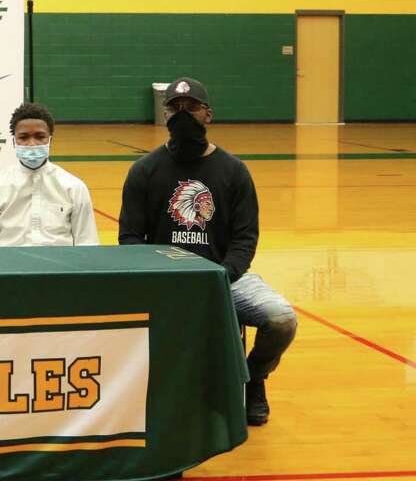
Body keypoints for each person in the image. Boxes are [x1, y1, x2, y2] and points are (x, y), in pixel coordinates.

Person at [119, 77, 297, 426]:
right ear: (165, 114)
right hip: (166, 283)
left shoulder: (234, 171)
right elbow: (129, 238)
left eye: (192, 108)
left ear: (208, 114)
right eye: (175, 108)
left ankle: (252, 378)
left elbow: (245, 239)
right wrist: (162, 278)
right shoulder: (144, 170)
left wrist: (222, 275)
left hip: (224, 278)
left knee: (281, 320)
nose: (183, 114)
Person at [0, 102, 98, 247]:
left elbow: (87, 243)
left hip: (59, 267)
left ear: (50, 140)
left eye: (40, 136)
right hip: (9, 266)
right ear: (14, 142)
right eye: (23, 137)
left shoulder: (74, 188)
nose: (32, 144)